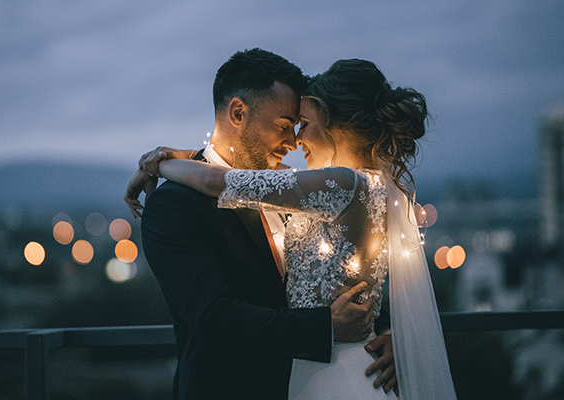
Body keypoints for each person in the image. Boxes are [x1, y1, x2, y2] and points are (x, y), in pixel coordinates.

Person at [127, 58, 458, 399]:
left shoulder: (310, 188)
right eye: (285, 124)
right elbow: (213, 319)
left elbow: (344, 277)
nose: (293, 141)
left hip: (329, 381)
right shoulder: (175, 204)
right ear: (238, 113)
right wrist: (324, 328)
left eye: (300, 124)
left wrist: (386, 331)